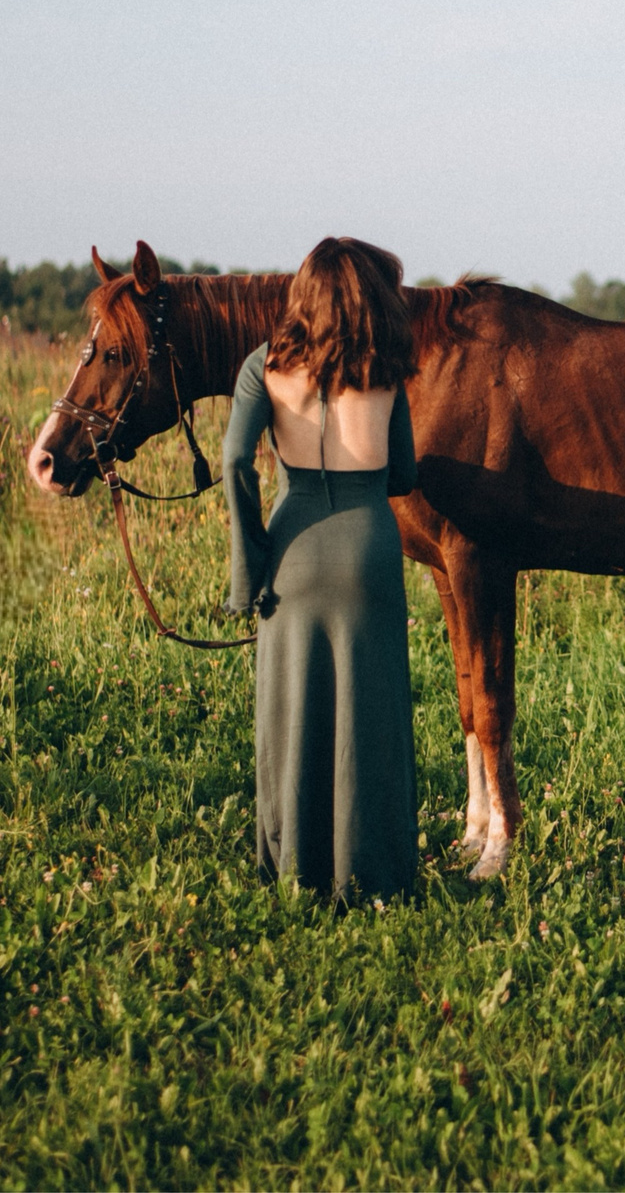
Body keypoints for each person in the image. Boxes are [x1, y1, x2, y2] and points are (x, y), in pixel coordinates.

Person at [222, 237, 420, 901]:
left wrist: (248, 566)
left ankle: (297, 869)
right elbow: (404, 473)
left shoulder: (264, 366)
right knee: (375, 715)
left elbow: (233, 463)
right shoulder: (387, 369)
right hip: (369, 544)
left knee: (292, 709)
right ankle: (376, 876)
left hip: (294, 549)